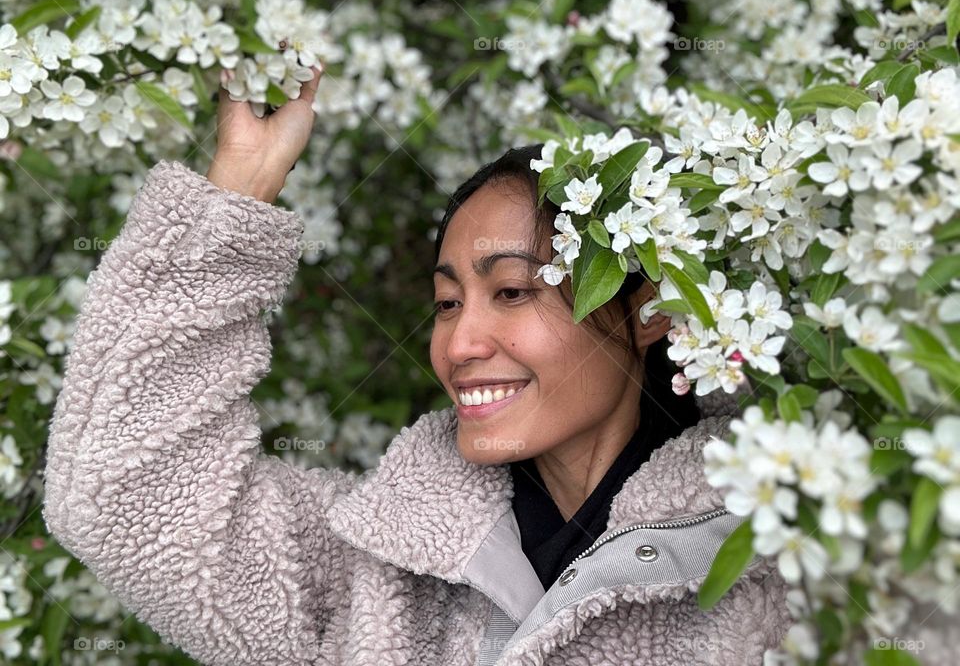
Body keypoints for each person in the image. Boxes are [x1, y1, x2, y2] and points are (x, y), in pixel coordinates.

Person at [42, 64, 794, 666]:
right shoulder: (382, 570)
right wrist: (241, 184)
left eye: (511, 291)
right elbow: (123, 494)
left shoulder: (782, 558)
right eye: (445, 303)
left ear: (645, 313)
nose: (461, 343)